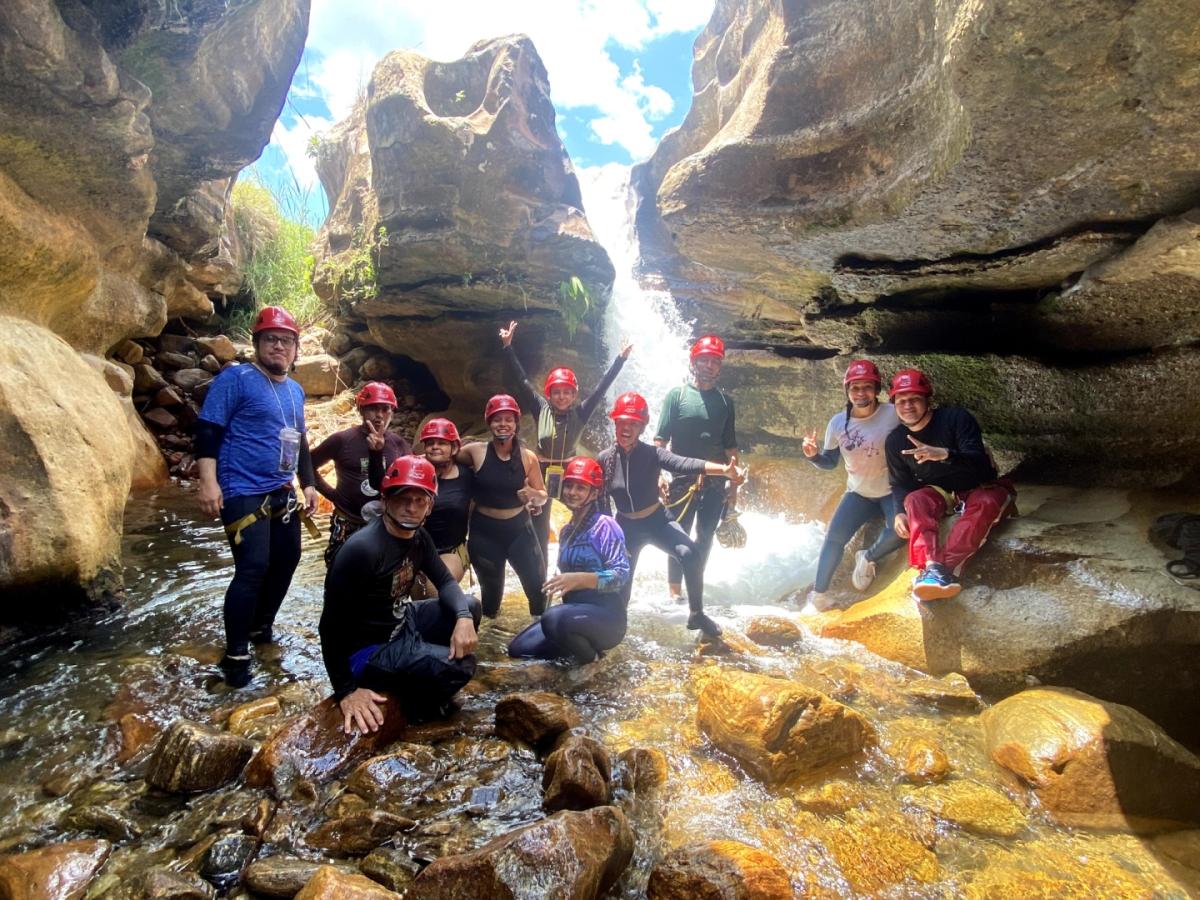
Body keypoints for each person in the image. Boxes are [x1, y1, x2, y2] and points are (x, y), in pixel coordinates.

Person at [195, 305, 318, 688]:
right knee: (253, 566)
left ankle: (260, 628)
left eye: (286, 341)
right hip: (241, 488)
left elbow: (300, 443)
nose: (278, 346)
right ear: (258, 344)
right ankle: (236, 655)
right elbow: (209, 429)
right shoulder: (237, 379)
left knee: (288, 558)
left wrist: (308, 483)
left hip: (281, 489)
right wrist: (207, 481)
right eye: (271, 339)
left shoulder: (295, 390)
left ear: (296, 349)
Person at [320, 456, 481, 734]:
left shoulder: (418, 537)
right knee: (463, 667)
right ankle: (416, 709)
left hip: (400, 622)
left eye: (420, 500)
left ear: (430, 506)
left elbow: (444, 581)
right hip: (368, 650)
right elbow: (330, 626)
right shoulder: (364, 550)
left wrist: (464, 618)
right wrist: (346, 691)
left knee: (470, 606)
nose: (411, 508)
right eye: (403, 498)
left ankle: (425, 673)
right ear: (385, 500)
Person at [600, 392, 745, 638]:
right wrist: (607, 538)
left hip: (656, 520)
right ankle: (613, 630)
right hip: (625, 527)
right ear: (615, 423)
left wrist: (724, 470)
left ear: (642, 426)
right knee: (621, 587)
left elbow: (684, 463)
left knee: (690, 554)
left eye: (633, 423)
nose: (627, 428)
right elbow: (598, 500)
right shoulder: (604, 459)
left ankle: (696, 614)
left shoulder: (652, 454)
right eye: (622, 422)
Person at [498, 320, 632, 562]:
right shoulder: (541, 407)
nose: (562, 396)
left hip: (570, 471)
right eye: (557, 392)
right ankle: (540, 573)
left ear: (574, 395)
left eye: (567, 392)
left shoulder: (580, 412)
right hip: (541, 469)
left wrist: (620, 359)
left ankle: (602, 554)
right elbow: (522, 382)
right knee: (539, 524)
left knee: (594, 504)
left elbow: (602, 388)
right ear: (549, 393)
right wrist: (508, 346)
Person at [885, 368, 1016, 601]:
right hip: (941, 493)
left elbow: (981, 465)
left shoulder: (955, 418)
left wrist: (945, 454)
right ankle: (933, 566)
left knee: (986, 503)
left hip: (980, 487)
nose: (908, 405)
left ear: (928, 400)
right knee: (914, 500)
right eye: (901, 400)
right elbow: (900, 483)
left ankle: (939, 571)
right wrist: (897, 513)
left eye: (914, 398)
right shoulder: (895, 440)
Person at [801, 359, 905, 610]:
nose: (861, 393)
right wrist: (813, 455)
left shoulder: (893, 414)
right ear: (847, 391)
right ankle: (819, 594)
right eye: (855, 388)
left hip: (891, 490)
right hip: (858, 493)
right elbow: (829, 462)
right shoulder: (838, 423)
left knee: (900, 530)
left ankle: (867, 556)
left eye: (867, 387)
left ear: (877, 388)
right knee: (833, 538)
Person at [508, 457, 630, 664]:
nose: (572, 492)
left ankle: (592, 660)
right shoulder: (566, 531)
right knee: (518, 649)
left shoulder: (605, 526)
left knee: (552, 618)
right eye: (569, 486)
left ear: (594, 493)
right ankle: (574, 644)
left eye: (581, 488)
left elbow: (621, 574)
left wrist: (579, 580)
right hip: (575, 615)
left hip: (608, 618)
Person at [655, 335, 741, 604]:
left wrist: (734, 488)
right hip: (681, 479)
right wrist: (658, 475)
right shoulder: (677, 396)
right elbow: (660, 441)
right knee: (677, 534)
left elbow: (730, 449)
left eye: (715, 361)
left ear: (720, 367)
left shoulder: (726, 403)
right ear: (693, 362)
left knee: (705, 535)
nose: (709, 365)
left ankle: (695, 586)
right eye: (704, 359)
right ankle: (673, 592)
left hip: (715, 482)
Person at [458, 394, 549, 618]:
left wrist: (532, 495)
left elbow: (543, 496)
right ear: (489, 423)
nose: (503, 424)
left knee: (538, 591)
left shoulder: (528, 458)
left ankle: (543, 639)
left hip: (520, 530)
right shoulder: (475, 451)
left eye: (508, 419)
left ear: (516, 424)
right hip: (485, 533)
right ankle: (493, 647)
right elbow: (445, 458)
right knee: (491, 599)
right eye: (497, 419)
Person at [311, 381, 411, 566]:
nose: (379, 415)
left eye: (385, 409)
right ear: (361, 410)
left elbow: (410, 483)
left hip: (386, 523)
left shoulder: (398, 444)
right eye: (373, 408)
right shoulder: (342, 440)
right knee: (341, 571)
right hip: (349, 521)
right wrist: (331, 494)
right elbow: (309, 465)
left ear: (391, 412)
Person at [415, 417, 473, 587]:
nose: (435, 447)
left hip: (452, 549)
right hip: (416, 547)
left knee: (433, 587)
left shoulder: (467, 476)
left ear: (454, 448)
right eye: (430, 443)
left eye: (442, 443)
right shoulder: (415, 475)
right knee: (419, 594)